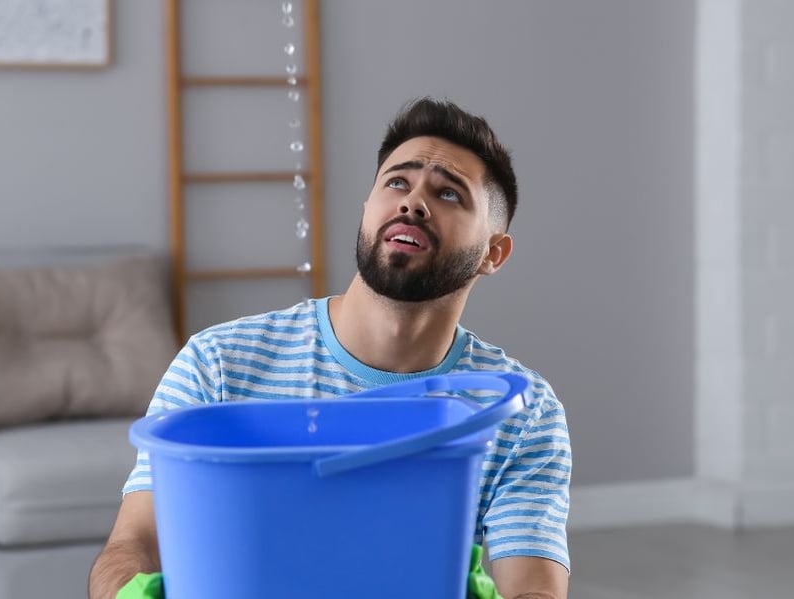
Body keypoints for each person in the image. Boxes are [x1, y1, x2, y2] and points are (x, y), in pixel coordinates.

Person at [89, 98, 571, 599]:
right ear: (368, 210)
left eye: (449, 193)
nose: (413, 202)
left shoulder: (520, 411)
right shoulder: (219, 364)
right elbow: (134, 544)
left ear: (493, 253)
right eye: (397, 182)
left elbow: (532, 588)